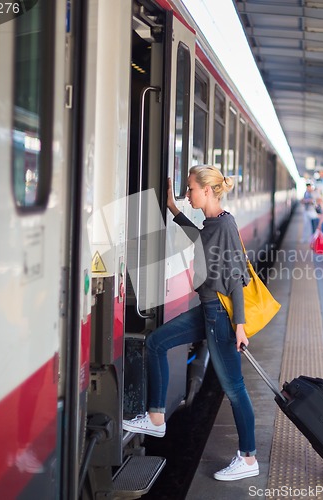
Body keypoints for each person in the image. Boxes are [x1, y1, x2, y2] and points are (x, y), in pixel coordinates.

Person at [122, 165, 259, 481]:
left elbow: (237, 278)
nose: (187, 194)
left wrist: (239, 325)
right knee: (156, 342)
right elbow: (198, 238)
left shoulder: (226, 225)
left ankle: (248, 458)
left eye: (190, 189)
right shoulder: (212, 223)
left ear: (207, 190)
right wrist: (173, 210)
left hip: (220, 318)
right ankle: (156, 416)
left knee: (234, 388)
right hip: (206, 311)